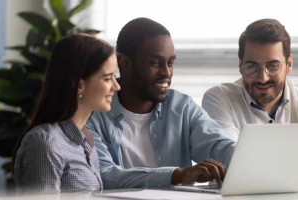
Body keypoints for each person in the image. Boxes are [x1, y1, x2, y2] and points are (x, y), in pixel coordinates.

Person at [87, 17, 235, 189]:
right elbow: (104, 174)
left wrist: (244, 157)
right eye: (155, 63)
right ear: (124, 62)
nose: (166, 73)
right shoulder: (94, 113)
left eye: (170, 63)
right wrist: (177, 175)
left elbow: (218, 145)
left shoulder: (182, 107)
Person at [13, 33, 120, 193]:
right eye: (107, 79)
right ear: (79, 85)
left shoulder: (85, 140)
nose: (116, 87)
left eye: (114, 77)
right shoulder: (45, 144)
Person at [202, 19, 297, 142]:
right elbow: (231, 156)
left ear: (289, 64)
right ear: (240, 66)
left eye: (273, 66)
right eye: (252, 66)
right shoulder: (219, 99)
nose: (263, 78)